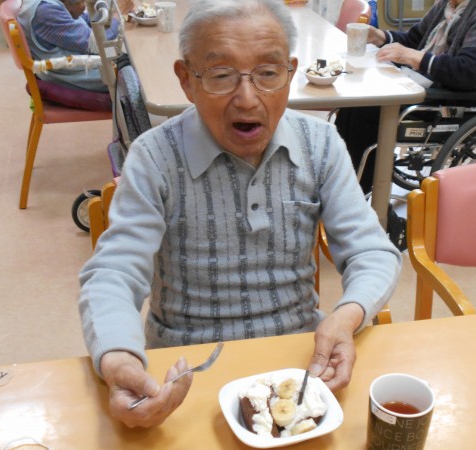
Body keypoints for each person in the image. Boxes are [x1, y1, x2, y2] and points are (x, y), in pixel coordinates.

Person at [78, 0, 401, 428]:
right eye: (221, 75)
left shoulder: (321, 144)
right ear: (186, 80)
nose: (247, 98)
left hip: (300, 361)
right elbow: (114, 272)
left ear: (290, 72)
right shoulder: (153, 158)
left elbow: (372, 252)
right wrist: (119, 360)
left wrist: (346, 316)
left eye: (268, 73)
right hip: (186, 371)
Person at [335, 0, 476, 193]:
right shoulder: (447, 5)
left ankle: (355, 191)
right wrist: (381, 37)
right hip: (427, 84)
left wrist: (416, 58)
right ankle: (338, 180)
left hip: (455, 100)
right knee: (356, 99)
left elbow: (467, 72)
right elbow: (414, 40)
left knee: (369, 110)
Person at [17, 0, 133, 92]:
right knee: (132, 61)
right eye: (82, 1)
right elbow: (96, 46)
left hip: (78, 59)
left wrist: (111, 15)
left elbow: (83, 19)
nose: (85, 5)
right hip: (74, 72)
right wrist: (118, 15)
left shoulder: (52, 6)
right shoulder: (46, 12)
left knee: (125, 51)